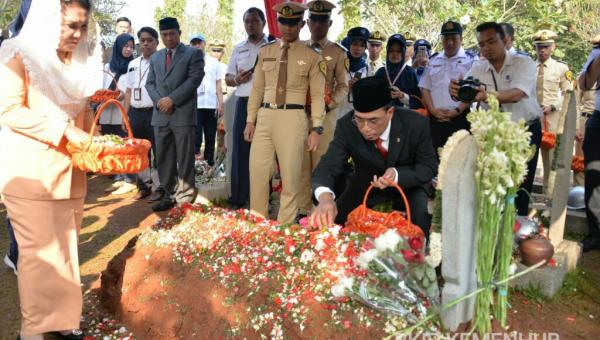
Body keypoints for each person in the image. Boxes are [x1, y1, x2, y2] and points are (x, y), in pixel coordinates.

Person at [0, 0, 102, 338]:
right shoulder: (20, 55)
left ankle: (62, 325)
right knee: (39, 261)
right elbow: (10, 111)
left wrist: (96, 138)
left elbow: (83, 114)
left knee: (65, 257)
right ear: (48, 19)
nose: (77, 34)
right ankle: (33, 332)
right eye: (70, 25)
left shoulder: (79, 62)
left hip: (71, 176)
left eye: (83, 26)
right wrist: (63, 131)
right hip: (31, 177)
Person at [310, 76, 438, 233]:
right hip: (366, 183)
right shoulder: (346, 126)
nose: (365, 128)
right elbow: (328, 165)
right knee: (335, 220)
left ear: (390, 112)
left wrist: (397, 175)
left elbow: (429, 166)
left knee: (418, 222)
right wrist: (325, 197)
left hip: (409, 185)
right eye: (359, 119)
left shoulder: (415, 124)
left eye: (373, 121)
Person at [243, 2, 326, 224]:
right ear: (277, 22)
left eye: (292, 23)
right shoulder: (265, 52)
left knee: (291, 178)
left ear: (301, 24)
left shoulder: (313, 56)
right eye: (283, 22)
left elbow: (318, 96)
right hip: (265, 117)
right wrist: (250, 120)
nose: (287, 28)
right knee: (258, 172)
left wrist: (317, 127)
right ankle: (257, 223)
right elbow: (257, 89)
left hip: (293, 118)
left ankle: (284, 229)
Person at [449, 22, 541, 217]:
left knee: (519, 187)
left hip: (524, 132)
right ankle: (489, 230)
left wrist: (486, 95)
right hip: (492, 134)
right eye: (481, 44)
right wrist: (455, 93)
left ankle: (515, 234)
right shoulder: (478, 67)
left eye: (491, 41)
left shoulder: (524, 63)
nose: (486, 48)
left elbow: (517, 94)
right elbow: (467, 94)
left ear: (505, 40)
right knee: (490, 184)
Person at [145, 17, 205, 211]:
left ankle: (185, 195)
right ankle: (168, 193)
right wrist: (160, 101)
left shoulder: (193, 53)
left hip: (182, 114)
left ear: (179, 32)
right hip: (161, 115)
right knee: (163, 157)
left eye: (172, 33)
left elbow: (194, 79)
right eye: (164, 34)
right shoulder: (155, 57)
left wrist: (172, 100)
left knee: (185, 156)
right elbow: (150, 84)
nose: (168, 38)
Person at [298, 0, 349, 219]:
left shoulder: (338, 52)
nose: (318, 25)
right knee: (300, 163)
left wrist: (327, 105)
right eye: (314, 20)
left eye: (323, 20)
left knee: (322, 164)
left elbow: (343, 86)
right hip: (300, 115)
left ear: (330, 23)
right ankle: (301, 211)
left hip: (326, 117)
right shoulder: (297, 49)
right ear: (308, 23)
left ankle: (320, 212)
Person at [225, 7, 270, 209]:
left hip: (268, 105)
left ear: (264, 23)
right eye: (247, 21)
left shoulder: (273, 46)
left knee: (266, 152)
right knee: (240, 151)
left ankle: (263, 199)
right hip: (244, 103)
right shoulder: (238, 48)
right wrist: (236, 79)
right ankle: (238, 198)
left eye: (255, 21)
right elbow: (228, 78)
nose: (251, 25)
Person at [419, 21, 477, 152]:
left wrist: (457, 111)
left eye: (454, 38)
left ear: (461, 38)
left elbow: (473, 92)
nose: (450, 42)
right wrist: (433, 110)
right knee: (435, 158)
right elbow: (425, 88)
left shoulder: (471, 60)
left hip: (460, 118)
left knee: (459, 158)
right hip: (435, 119)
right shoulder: (433, 60)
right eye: (446, 38)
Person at [533, 29, 573, 194]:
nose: (542, 50)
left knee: (551, 158)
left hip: (552, 119)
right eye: (539, 46)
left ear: (553, 47)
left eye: (546, 46)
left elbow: (569, 93)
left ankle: (549, 194)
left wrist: (553, 105)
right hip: (532, 117)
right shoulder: (528, 67)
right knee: (528, 155)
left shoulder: (563, 68)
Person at [123, 27, 161, 200]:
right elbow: (129, 91)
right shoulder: (132, 64)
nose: (145, 43)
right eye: (142, 40)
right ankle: (144, 186)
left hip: (155, 112)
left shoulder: (161, 62)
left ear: (156, 42)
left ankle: (159, 188)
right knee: (139, 151)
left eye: (149, 40)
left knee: (158, 151)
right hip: (136, 113)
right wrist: (125, 115)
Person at [101, 33, 137, 195]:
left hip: (122, 111)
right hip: (106, 111)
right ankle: (117, 178)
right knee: (112, 145)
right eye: (125, 46)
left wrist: (121, 95)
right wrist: (103, 95)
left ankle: (129, 179)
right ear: (118, 46)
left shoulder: (133, 66)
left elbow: (131, 89)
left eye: (131, 46)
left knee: (125, 145)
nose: (128, 49)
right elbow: (100, 86)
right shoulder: (108, 67)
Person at [578, 35, 600, 252]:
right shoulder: (598, 51)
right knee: (593, 175)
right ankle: (595, 234)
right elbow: (584, 84)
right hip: (599, 119)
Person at [190, 34, 224, 165]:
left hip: (211, 104)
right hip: (195, 105)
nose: (197, 45)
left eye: (199, 42)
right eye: (194, 43)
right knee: (196, 136)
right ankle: (197, 164)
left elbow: (218, 85)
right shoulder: (187, 61)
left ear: (204, 44)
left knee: (210, 136)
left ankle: (209, 163)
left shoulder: (214, 62)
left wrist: (220, 103)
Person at [374, 34, 423, 110]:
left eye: (399, 51)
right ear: (387, 52)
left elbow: (419, 102)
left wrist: (402, 96)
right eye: (391, 51)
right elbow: (372, 97)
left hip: (404, 118)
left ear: (403, 52)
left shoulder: (410, 73)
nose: (395, 54)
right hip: (383, 117)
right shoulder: (380, 72)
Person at [337, 26, 370, 119]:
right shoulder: (338, 66)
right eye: (355, 44)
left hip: (358, 122)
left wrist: (359, 90)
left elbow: (369, 99)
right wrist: (346, 87)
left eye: (362, 45)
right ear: (348, 44)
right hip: (337, 119)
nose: (358, 48)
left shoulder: (367, 70)